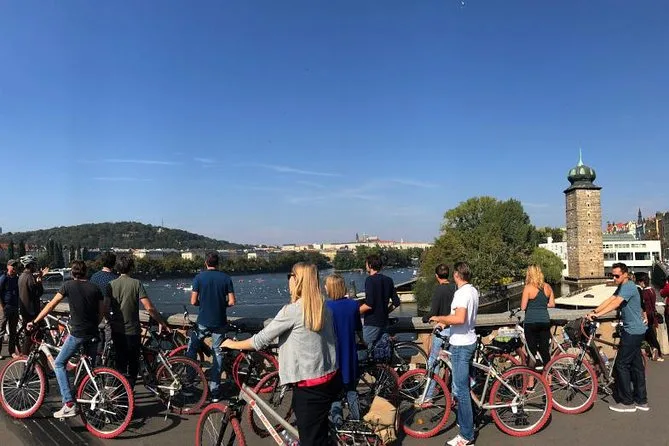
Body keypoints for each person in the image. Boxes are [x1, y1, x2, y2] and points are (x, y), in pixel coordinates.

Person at [222, 263, 338, 446]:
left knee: (311, 439)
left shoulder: (292, 311)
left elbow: (260, 340)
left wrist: (232, 344)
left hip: (307, 387)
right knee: (319, 434)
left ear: (297, 280)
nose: (288, 279)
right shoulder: (324, 307)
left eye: (290, 276)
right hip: (328, 380)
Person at [28, 260, 104, 419]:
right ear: (86, 272)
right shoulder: (95, 288)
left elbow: (51, 306)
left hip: (77, 334)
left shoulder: (68, 286)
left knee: (59, 363)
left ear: (72, 273)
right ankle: (93, 404)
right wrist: (93, 325)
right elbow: (101, 312)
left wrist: (35, 321)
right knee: (88, 370)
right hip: (93, 333)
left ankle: (69, 403)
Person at [429, 262, 479, 446]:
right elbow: (460, 319)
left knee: (461, 391)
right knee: (465, 385)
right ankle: (470, 421)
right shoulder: (472, 290)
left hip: (460, 345)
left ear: (457, 275)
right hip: (469, 340)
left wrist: (439, 318)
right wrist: (444, 323)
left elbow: (459, 318)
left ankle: (466, 436)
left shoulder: (461, 293)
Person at [587, 262, 648, 413]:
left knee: (621, 364)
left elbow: (616, 303)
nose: (614, 278)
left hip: (632, 331)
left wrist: (597, 315)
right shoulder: (623, 286)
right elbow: (610, 299)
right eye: (612, 275)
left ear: (625, 274)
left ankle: (627, 402)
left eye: (616, 276)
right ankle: (641, 400)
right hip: (636, 330)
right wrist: (595, 311)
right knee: (636, 366)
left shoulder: (628, 286)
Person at [106, 255, 170, 388]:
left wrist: (110, 320)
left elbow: (105, 307)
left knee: (120, 364)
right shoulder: (136, 283)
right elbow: (149, 307)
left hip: (117, 330)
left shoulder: (111, 285)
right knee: (133, 364)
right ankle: (130, 389)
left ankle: (122, 393)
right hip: (132, 331)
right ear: (131, 268)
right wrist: (161, 322)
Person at [186, 251, 236, 402]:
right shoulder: (226, 278)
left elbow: (193, 301)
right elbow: (232, 301)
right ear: (218, 263)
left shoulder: (199, 278)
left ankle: (189, 381)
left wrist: (203, 303)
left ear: (205, 263)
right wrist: (221, 304)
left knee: (191, 349)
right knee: (217, 354)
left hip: (203, 321)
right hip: (220, 322)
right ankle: (215, 391)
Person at [324, 274, 361, 425]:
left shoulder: (326, 307)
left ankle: (338, 423)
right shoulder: (353, 305)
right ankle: (357, 422)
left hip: (333, 356)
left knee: (334, 395)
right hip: (350, 354)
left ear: (331, 288)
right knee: (351, 391)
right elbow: (358, 328)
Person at [425, 263, 456, 398]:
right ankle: (455, 394)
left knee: (433, 362)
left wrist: (426, 318)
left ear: (436, 276)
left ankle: (428, 395)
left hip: (442, 330)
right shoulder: (455, 287)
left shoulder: (439, 290)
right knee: (454, 363)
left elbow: (433, 311)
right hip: (454, 329)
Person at [359, 254, 401, 347]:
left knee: (368, 345)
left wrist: (355, 312)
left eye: (366, 264)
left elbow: (369, 304)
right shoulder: (388, 280)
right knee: (382, 348)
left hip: (372, 322)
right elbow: (396, 302)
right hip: (384, 321)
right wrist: (386, 311)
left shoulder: (370, 280)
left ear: (370, 265)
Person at [520, 265, 555, 369]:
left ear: (529, 275)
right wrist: (542, 305)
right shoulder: (548, 287)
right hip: (545, 321)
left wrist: (533, 305)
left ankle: (531, 376)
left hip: (531, 322)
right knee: (545, 350)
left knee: (532, 351)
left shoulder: (528, 288)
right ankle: (548, 375)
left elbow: (523, 307)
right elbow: (552, 304)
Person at [89, 251, 118, 357]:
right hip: (109, 316)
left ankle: (96, 364)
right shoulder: (115, 279)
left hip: (95, 315)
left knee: (97, 345)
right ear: (114, 263)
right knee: (109, 347)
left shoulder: (94, 277)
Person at [18, 255, 48, 354]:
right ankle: (26, 357)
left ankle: (28, 355)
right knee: (32, 335)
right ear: (30, 265)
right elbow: (38, 293)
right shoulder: (30, 277)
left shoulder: (21, 276)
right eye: (34, 265)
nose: (35, 266)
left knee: (30, 334)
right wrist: (40, 280)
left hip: (25, 310)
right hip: (31, 311)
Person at [635, 273, 663, 361]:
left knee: (648, 334)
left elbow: (641, 304)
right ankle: (655, 350)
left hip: (645, 315)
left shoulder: (643, 292)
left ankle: (653, 350)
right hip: (651, 314)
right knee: (650, 334)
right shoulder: (651, 290)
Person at [0, 259, 21, 359]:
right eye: (12, 266)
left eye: (15, 266)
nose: (14, 268)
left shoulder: (17, 278)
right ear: (8, 267)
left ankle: (12, 351)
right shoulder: (3, 278)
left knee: (13, 331)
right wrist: (1, 307)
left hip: (14, 307)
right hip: (5, 307)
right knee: (1, 330)